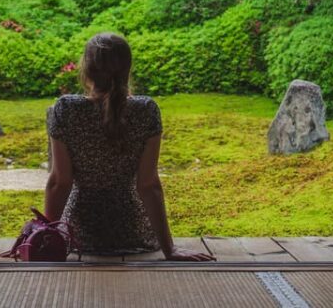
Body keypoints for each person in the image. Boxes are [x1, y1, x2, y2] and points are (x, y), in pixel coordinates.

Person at [44, 32, 216, 261]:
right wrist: (169, 249)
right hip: (135, 234)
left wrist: (44, 239)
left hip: (79, 235)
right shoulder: (146, 110)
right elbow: (148, 185)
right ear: (127, 68)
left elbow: (60, 182)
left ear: (86, 70)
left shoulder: (66, 109)